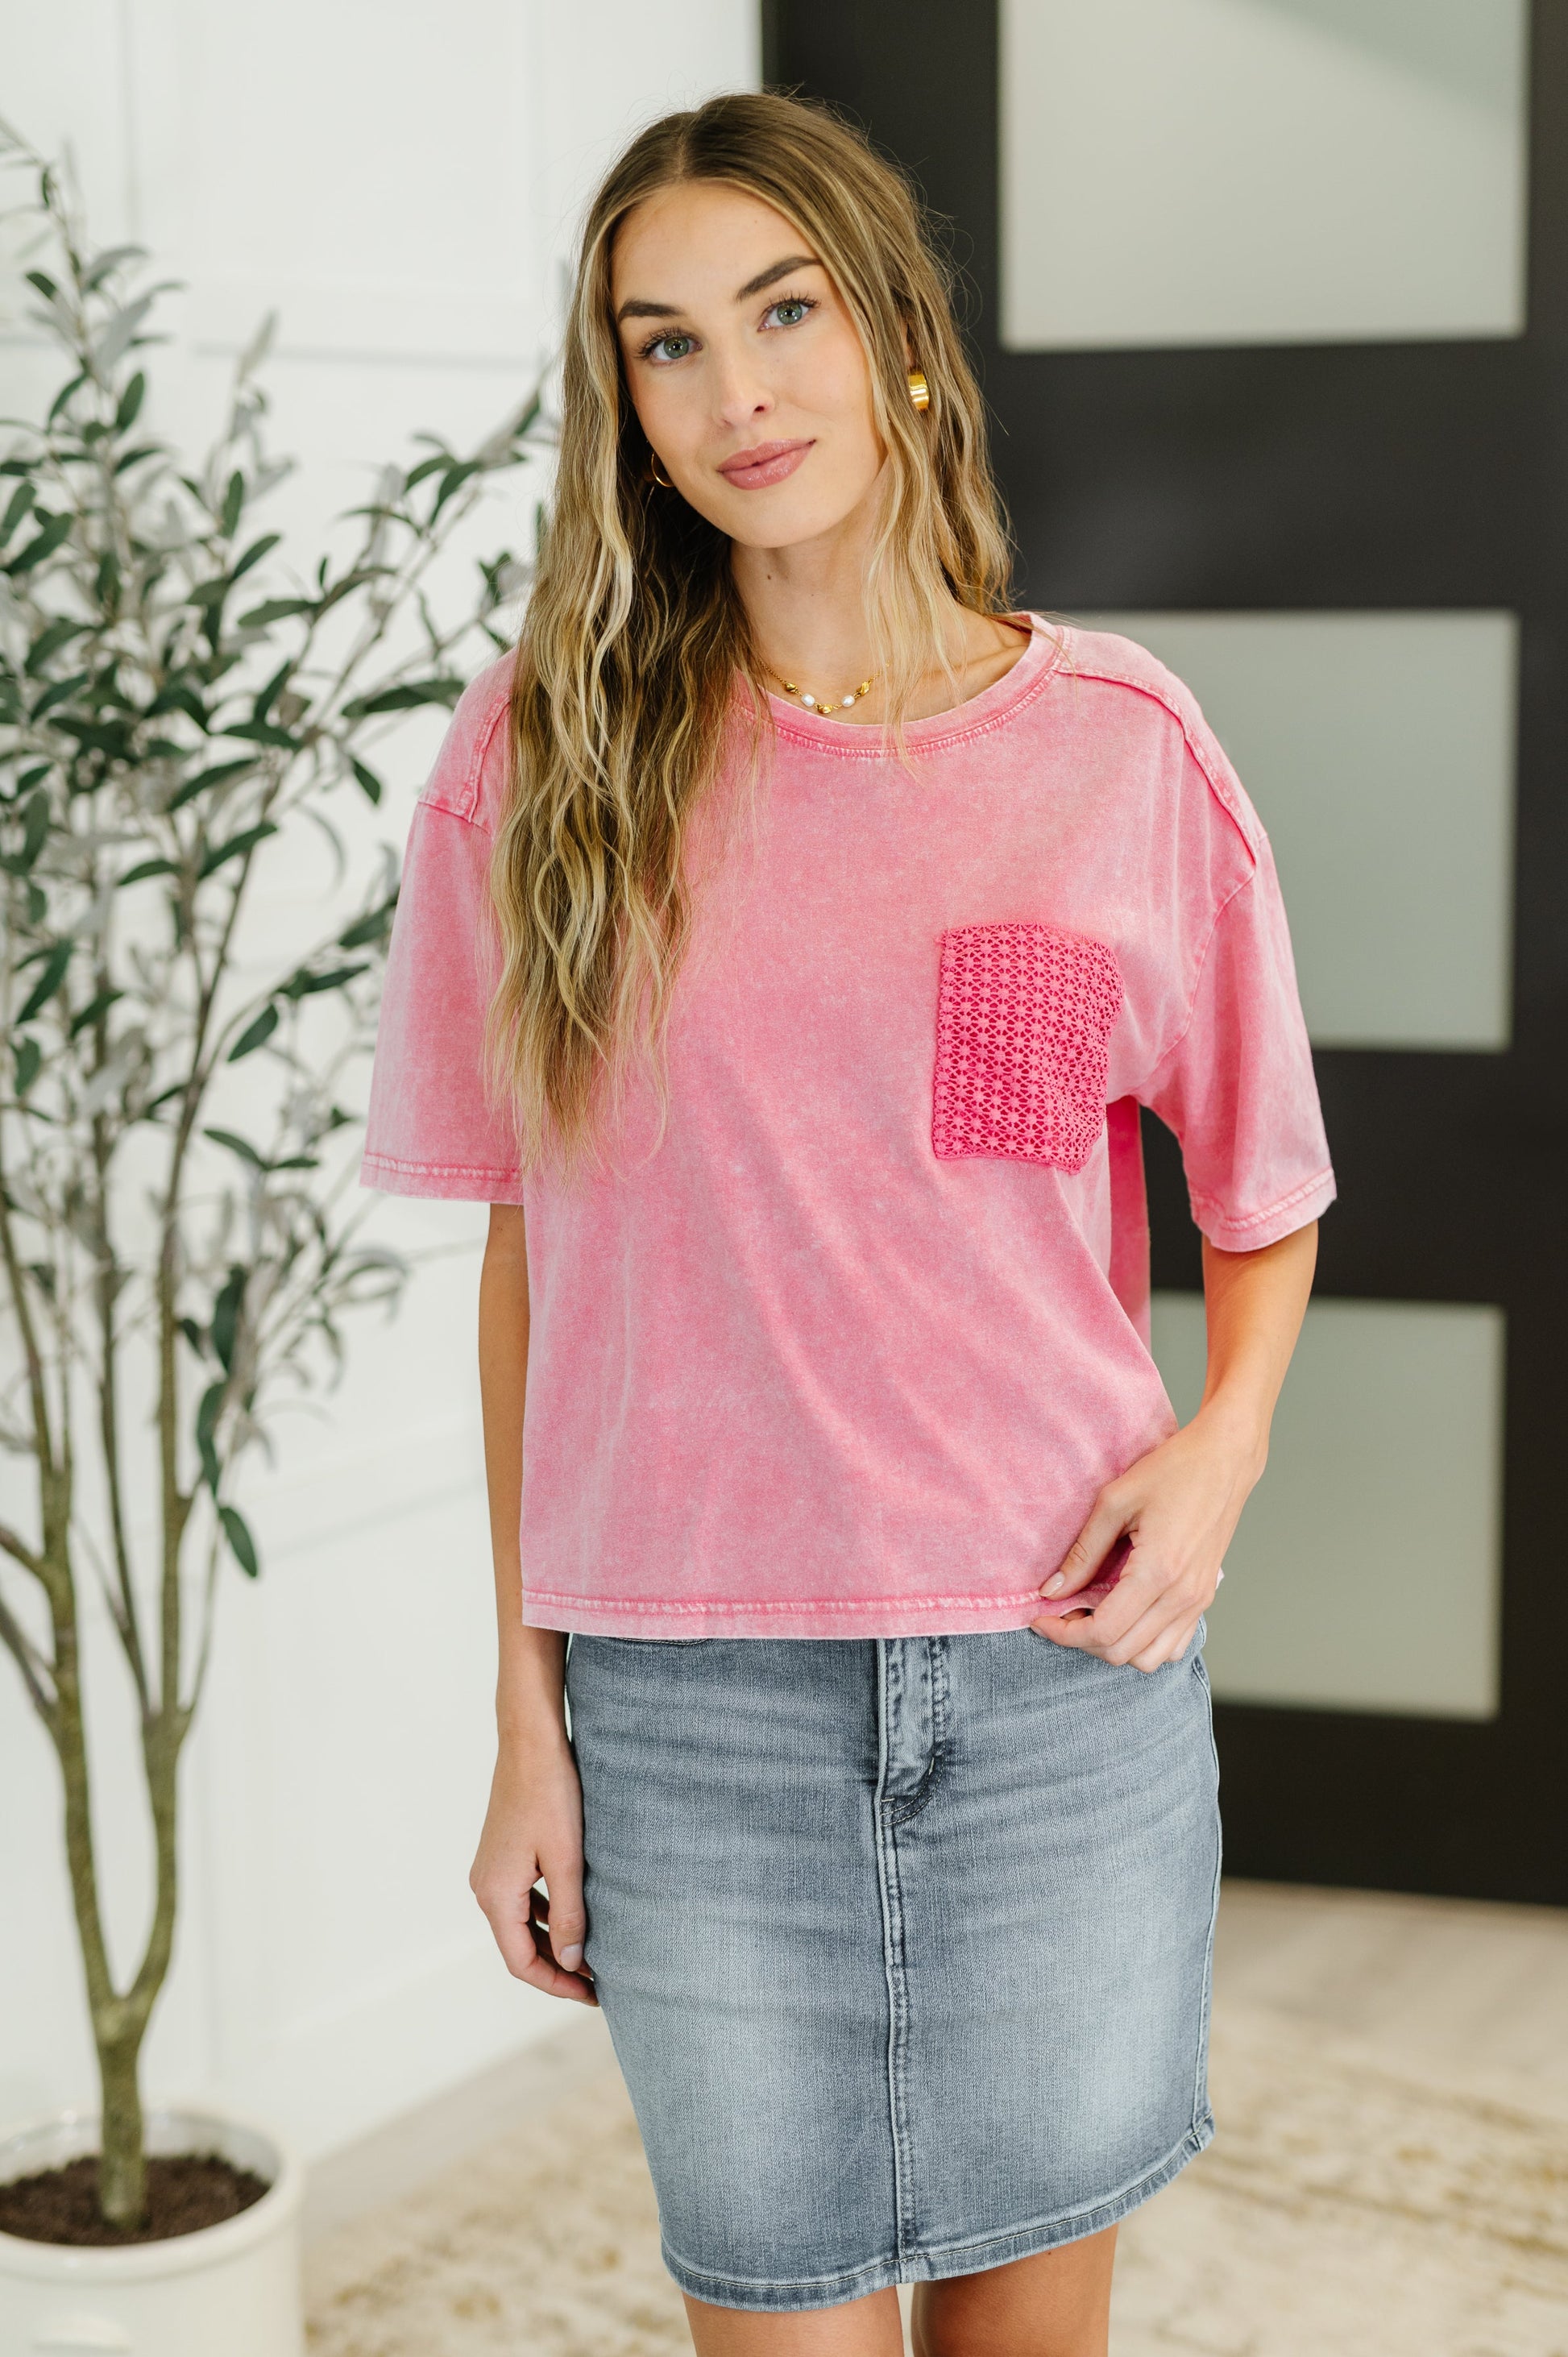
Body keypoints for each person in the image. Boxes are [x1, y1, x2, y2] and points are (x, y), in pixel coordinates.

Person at [363, 89, 1334, 2357]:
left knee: (1030, 2341)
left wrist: (1225, 1442)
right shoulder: (545, 759)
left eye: (782, 311)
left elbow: (1262, 1184)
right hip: (691, 1710)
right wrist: (525, 1721)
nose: (737, 391)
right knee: (777, 2321)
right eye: (667, 343)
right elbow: (529, 1257)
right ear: (624, 400)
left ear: (895, 331)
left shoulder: (1117, 747)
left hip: (1056, 1678)